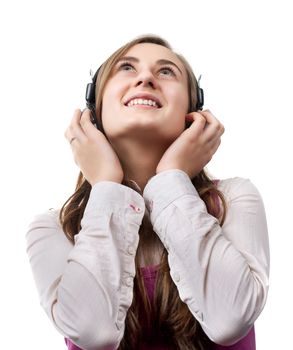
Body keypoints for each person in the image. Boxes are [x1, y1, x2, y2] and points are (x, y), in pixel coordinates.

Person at [25, 34, 270, 350]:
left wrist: (171, 178)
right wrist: (107, 185)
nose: (145, 78)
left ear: (193, 112)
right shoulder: (52, 229)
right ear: (93, 109)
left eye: (166, 71)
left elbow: (229, 320)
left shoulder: (234, 201)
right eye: (126, 67)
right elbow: (94, 332)